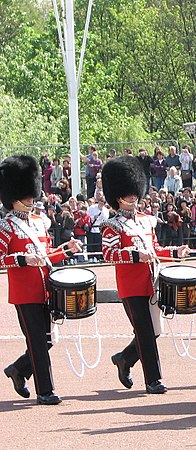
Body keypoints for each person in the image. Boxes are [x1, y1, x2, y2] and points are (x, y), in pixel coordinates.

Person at [102, 156, 190, 394]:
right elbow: (108, 254)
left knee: (155, 331)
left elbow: (155, 250)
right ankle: (153, 379)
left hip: (151, 282)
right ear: (118, 197)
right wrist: (134, 256)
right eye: (128, 193)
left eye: (134, 192)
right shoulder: (113, 225)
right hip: (131, 286)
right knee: (144, 332)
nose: (133, 197)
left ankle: (125, 359)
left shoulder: (145, 222)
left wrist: (175, 252)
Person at [0, 155, 81, 406]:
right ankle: (45, 390)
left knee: (47, 341)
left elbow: (46, 256)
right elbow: (2, 259)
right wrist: (23, 260)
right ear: (14, 197)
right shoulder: (6, 227)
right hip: (24, 293)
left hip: (45, 288)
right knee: (37, 340)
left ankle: (18, 370)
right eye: (26, 196)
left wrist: (66, 250)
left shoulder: (38, 223)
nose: (31, 199)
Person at [86, 197, 109, 262]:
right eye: (101, 201)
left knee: (98, 244)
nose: (102, 203)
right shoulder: (92, 208)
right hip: (92, 228)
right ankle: (90, 257)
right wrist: (93, 217)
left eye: (103, 202)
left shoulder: (106, 210)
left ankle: (97, 257)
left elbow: (106, 220)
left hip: (100, 229)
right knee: (90, 243)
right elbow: (87, 216)